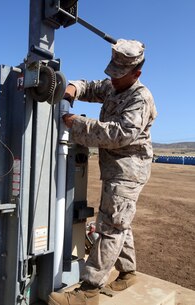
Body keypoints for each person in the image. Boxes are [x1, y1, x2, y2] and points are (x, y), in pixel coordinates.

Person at [48, 39, 157, 305]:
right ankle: (128, 272)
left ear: (136, 74)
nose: (113, 79)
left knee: (110, 227)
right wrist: (73, 87)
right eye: (112, 73)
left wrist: (77, 125)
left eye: (119, 75)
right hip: (114, 169)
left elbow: (118, 135)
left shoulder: (139, 98)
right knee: (119, 221)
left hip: (128, 172)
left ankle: (89, 290)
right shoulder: (113, 86)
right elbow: (91, 86)